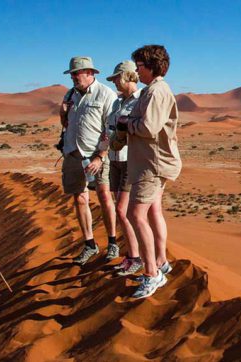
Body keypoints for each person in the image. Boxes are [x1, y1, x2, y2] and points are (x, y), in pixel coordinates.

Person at [117, 45, 181, 299]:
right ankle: (161, 261)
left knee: (135, 213)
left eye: (139, 66)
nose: (136, 71)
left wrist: (125, 123)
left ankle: (152, 274)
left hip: (152, 165)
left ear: (151, 66)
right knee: (153, 210)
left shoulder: (156, 91)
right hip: (149, 162)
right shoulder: (151, 91)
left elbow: (149, 127)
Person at [59, 56, 117, 265]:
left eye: (77, 73)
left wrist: (101, 156)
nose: (74, 77)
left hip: (97, 154)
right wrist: (62, 113)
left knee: (104, 195)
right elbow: (66, 124)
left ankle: (112, 242)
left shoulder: (106, 94)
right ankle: (89, 244)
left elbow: (112, 129)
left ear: (90, 73)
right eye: (72, 74)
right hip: (73, 153)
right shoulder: (70, 95)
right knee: (79, 198)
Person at [98, 60, 144, 277]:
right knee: (121, 210)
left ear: (127, 76)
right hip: (114, 159)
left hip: (130, 161)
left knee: (122, 211)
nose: (114, 81)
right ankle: (131, 255)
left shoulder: (141, 100)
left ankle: (137, 257)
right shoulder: (117, 103)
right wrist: (102, 151)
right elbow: (109, 130)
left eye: (116, 77)